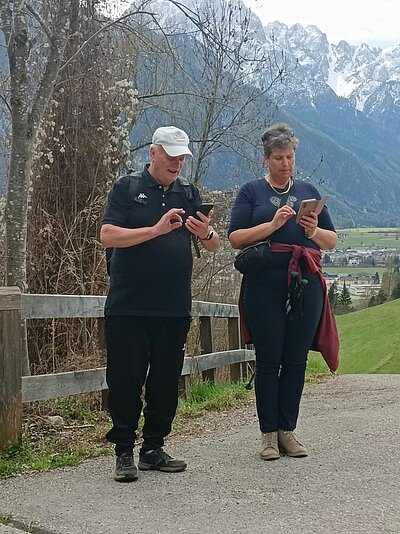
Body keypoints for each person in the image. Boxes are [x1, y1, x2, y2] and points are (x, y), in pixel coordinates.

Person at [101, 126, 219, 481]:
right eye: (171, 155)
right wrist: (155, 230)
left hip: (173, 306)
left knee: (166, 381)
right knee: (125, 379)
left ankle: (153, 448)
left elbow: (213, 246)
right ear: (153, 153)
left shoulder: (188, 191)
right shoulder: (128, 188)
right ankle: (124, 451)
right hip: (129, 305)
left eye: (182, 156)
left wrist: (206, 234)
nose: (177, 162)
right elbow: (107, 235)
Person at [228, 123, 337, 461]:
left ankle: (288, 430)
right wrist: (272, 226)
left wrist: (314, 229)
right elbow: (235, 238)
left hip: (304, 284)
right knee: (268, 358)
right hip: (264, 284)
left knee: (295, 359)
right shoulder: (250, 192)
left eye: (290, 157)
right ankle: (267, 435)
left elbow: (331, 241)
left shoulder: (308, 190)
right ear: (266, 159)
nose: (285, 163)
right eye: (278, 158)